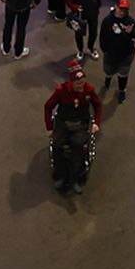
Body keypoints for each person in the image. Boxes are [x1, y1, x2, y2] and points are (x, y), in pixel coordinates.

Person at [43, 56, 104, 194]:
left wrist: (97, 122)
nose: (81, 87)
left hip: (80, 124)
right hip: (63, 122)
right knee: (57, 145)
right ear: (71, 82)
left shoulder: (89, 90)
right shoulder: (61, 91)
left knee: (78, 147)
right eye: (78, 84)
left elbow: (98, 105)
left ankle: (76, 178)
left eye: (83, 83)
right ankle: (60, 174)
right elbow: (48, 106)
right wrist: (49, 127)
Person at [98, 0, 135, 101]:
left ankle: (122, 91)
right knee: (108, 70)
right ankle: (108, 78)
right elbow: (103, 36)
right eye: (121, 9)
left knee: (123, 74)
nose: (122, 12)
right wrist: (105, 50)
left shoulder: (130, 20)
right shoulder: (108, 20)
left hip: (125, 54)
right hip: (111, 54)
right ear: (116, 7)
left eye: (125, 9)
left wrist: (129, 32)